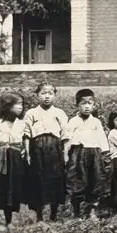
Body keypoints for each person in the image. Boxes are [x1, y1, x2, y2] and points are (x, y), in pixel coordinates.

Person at [0, 92, 29, 226]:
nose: (20, 107)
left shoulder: (21, 125)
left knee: (11, 188)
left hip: (14, 160)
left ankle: (9, 221)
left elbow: (23, 142)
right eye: (17, 104)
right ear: (7, 106)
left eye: (22, 104)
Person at [25, 82, 68, 221]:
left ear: (54, 95)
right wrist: (27, 153)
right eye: (43, 93)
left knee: (55, 179)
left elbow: (65, 135)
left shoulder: (59, 113)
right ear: (38, 95)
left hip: (54, 148)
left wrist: (65, 153)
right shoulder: (31, 113)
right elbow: (26, 134)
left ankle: (54, 214)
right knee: (38, 179)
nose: (47, 96)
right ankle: (39, 216)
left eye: (50, 93)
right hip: (36, 148)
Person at [64, 88, 109, 218]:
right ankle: (76, 213)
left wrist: (105, 154)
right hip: (78, 154)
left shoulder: (96, 122)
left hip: (94, 154)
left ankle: (92, 211)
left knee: (94, 180)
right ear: (77, 105)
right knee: (77, 181)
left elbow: (101, 138)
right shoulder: (73, 121)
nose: (87, 106)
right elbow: (68, 138)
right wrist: (66, 154)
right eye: (84, 103)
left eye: (90, 103)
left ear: (94, 105)